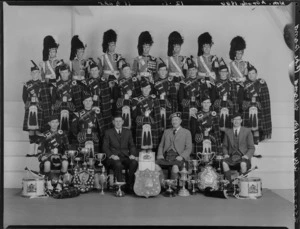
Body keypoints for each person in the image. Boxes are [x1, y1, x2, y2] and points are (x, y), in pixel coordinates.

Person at [102, 115, 138, 194]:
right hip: (113, 158)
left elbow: (132, 145)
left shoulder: (128, 132)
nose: (118, 123)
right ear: (113, 122)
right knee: (118, 164)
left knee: (134, 163)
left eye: (120, 121)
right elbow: (105, 147)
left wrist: (132, 154)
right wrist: (112, 155)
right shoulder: (108, 132)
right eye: (116, 121)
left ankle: (129, 185)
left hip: (125, 156)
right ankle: (120, 187)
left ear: (122, 122)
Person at [23, 61, 52, 157]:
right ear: (31, 74)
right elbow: (24, 97)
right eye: (33, 73)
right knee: (31, 129)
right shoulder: (27, 84)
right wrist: (29, 104)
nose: (35, 74)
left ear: (39, 73)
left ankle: (37, 151)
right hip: (31, 109)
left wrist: (40, 105)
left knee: (38, 130)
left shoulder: (42, 84)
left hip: (39, 109)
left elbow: (45, 97)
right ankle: (31, 151)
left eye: (36, 72)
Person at [242, 63, 271, 149]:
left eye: (253, 73)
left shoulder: (261, 83)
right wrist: (245, 104)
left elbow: (265, 99)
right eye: (249, 74)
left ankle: (256, 147)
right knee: (248, 128)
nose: (251, 75)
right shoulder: (244, 84)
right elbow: (241, 97)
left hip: (258, 108)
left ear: (256, 74)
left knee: (256, 128)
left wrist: (260, 106)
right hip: (247, 108)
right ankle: (249, 148)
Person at [156, 112, 192, 180]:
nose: (174, 122)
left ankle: (173, 186)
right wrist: (160, 154)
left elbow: (189, 148)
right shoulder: (166, 132)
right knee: (154, 165)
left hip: (178, 157)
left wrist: (182, 156)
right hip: (166, 157)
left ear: (180, 121)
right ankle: (162, 182)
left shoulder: (186, 132)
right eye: (173, 120)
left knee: (175, 167)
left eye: (176, 120)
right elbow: (161, 145)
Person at [222, 113, 255, 184]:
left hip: (243, 157)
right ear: (231, 121)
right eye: (234, 120)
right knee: (224, 163)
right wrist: (226, 154)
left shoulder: (247, 131)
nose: (236, 121)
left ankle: (242, 185)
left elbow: (251, 148)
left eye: (238, 120)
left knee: (243, 164)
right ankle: (229, 184)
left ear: (241, 121)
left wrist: (247, 156)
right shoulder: (227, 132)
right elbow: (224, 146)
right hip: (232, 157)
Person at [79, 59, 112, 131]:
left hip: (104, 107)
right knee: (94, 126)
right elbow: (85, 95)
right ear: (90, 71)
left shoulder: (104, 81)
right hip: (92, 106)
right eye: (92, 70)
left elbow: (108, 95)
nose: (94, 72)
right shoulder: (86, 82)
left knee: (105, 126)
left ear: (99, 71)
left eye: (95, 70)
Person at [51, 63, 82, 136]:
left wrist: (77, 110)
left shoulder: (74, 83)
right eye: (62, 72)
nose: (64, 74)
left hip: (71, 108)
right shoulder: (56, 84)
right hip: (59, 108)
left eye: (66, 72)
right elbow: (53, 99)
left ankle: (68, 143)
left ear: (68, 73)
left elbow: (77, 99)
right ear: (60, 73)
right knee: (60, 127)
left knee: (71, 127)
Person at [37, 114, 69, 182]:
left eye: (56, 122)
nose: (55, 124)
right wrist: (41, 156)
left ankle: (61, 181)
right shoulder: (45, 134)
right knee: (47, 164)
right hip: (48, 155)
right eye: (52, 122)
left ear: (58, 123)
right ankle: (46, 182)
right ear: (49, 123)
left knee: (65, 163)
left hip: (60, 155)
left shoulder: (63, 134)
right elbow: (40, 148)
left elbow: (67, 147)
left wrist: (65, 155)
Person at [131, 78, 161, 151]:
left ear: (150, 89)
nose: (146, 90)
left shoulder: (155, 99)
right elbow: (134, 115)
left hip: (152, 125)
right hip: (140, 125)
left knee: (151, 147)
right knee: (141, 147)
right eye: (144, 88)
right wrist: (143, 115)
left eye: (148, 88)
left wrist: (157, 127)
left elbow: (157, 116)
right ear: (141, 89)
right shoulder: (135, 100)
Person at [212, 60, 237, 141]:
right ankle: (220, 144)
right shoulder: (216, 83)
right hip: (219, 106)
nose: (223, 73)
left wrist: (234, 106)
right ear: (219, 73)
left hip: (229, 106)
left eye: (225, 71)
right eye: (221, 72)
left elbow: (234, 97)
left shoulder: (231, 83)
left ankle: (228, 145)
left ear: (227, 73)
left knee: (228, 125)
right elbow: (214, 97)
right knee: (219, 125)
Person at [178, 56, 202, 138]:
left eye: (193, 69)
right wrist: (185, 104)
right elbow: (180, 96)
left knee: (197, 123)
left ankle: (196, 140)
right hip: (187, 105)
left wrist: (200, 103)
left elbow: (204, 94)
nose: (192, 71)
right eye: (190, 70)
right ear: (188, 71)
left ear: (196, 70)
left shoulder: (201, 81)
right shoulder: (183, 82)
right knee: (186, 124)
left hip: (198, 105)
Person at [114, 59, 141, 130]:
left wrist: (133, 95)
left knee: (133, 122)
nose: (126, 71)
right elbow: (116, 95)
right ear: (122, 72)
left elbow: (139, 93)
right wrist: (124, 96)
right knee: (124, 122)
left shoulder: (135, 80)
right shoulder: (119, 82)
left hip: (133, 103)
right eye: (124, 70)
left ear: (130, 71)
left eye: (127, 70)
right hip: (123, 104)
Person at [153, 59, 177, 136]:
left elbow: (174, 98)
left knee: (169, 127)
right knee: (159, 126)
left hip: (168, 107)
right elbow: (152, 97)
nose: (163, 72)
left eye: (164, 70)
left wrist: (174, 110)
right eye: (161, 70)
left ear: (167, 72)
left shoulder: (170, 82)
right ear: (158, 72)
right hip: (158, 107)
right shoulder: (154, 83)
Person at [166, 31, 187, 111]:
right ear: (172, 47)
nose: (176, 49)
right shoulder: (168, 59)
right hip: (172, 82)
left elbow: (186, 73)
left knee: (181, 99)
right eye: (174, 47)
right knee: (173, 100)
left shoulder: (184, 58)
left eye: (178, 47)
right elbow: (166, 73)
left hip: (181, 81)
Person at [196, 32, 218, 102]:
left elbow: (217, 72)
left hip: (212, 81)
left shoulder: (215, 58)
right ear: (202, 48)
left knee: (212, 99)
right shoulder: (197, 59)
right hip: (201, 81)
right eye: (204, 46)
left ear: (210, 47)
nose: (206, 48)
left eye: (208, 46)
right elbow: (195, 72)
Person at [229, 36, 248, 112]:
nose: (239, 55)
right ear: (234, 53)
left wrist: (242, 80)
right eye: (237, 53)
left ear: (242, 53)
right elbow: (229, 76)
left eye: (240, 53)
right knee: (233, 104)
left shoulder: (245, 64)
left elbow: (246, 76)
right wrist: (233, 79)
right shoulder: (230, 64)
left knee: (241, 104)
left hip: (242, 86)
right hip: (233, 86)